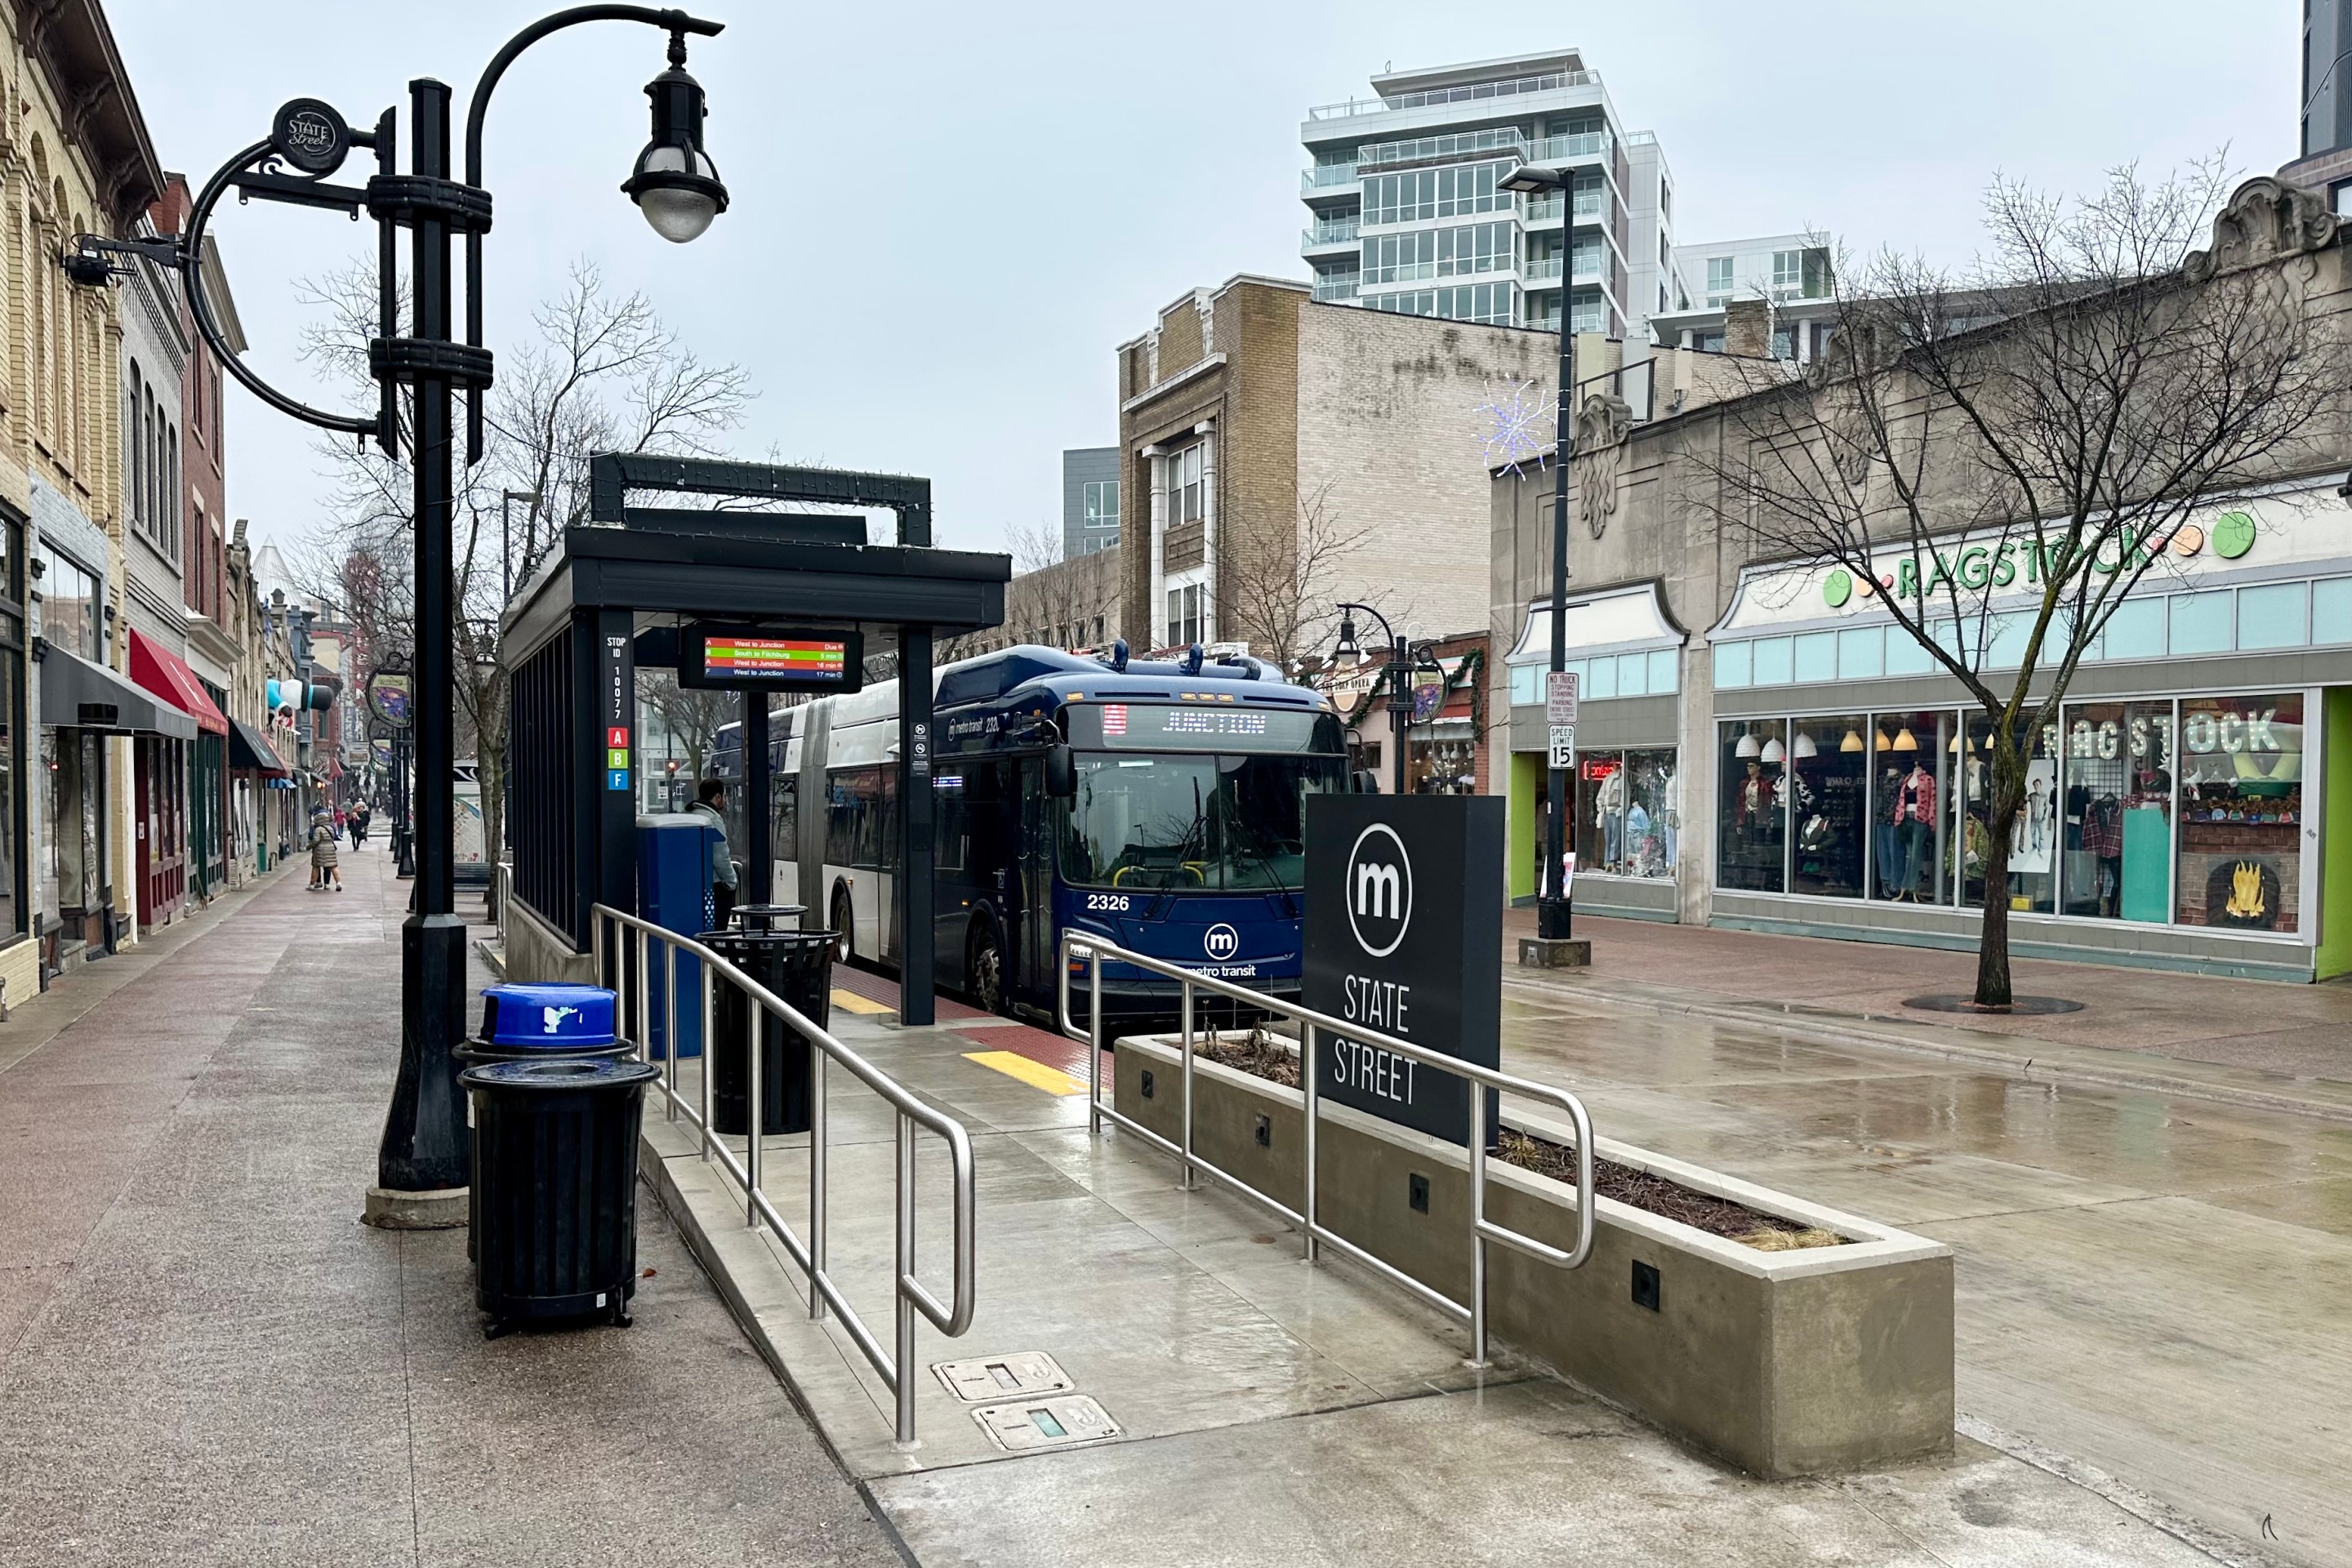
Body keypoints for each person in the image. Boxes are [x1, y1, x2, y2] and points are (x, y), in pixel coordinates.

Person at [689, 777, 738, 928]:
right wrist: (731, 882)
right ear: (717, 797)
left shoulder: (692, 815)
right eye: (724, 796)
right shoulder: (713, 820)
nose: (725, 800)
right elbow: (720, 856)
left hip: (696, 883)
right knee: (717, 929)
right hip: (715, 886)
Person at [310, 811, 342, 893]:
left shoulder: (318, 829)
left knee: (316, 866)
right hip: (330, 848)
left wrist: (309, 846)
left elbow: (316, 840)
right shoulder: (331, 828)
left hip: (320, 850)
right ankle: (338, 883)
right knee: (333, 866)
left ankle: (312, 884)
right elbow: (333, 837)